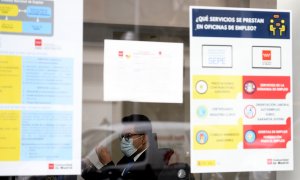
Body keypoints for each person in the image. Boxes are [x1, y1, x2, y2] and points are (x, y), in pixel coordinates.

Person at [81, 114, 166, 180]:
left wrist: (107, 163)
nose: (124, 140)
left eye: (128, 136)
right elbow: (105, 177)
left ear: (145, 138)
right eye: (123, 136)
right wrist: (88, 166)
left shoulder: (153, 162)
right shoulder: (127, 160)